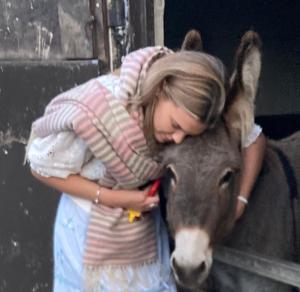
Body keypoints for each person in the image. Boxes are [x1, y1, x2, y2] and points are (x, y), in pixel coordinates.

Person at [26, 46, 265, 291]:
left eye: (188, 134)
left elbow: (254, 139)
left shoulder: (185, 109)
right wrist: (114, 197)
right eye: (175, 125)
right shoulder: (99, 112)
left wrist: (240, 202)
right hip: (89, 228)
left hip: (142, 229)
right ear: (161, 89)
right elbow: (41, 168)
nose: (178, 138)